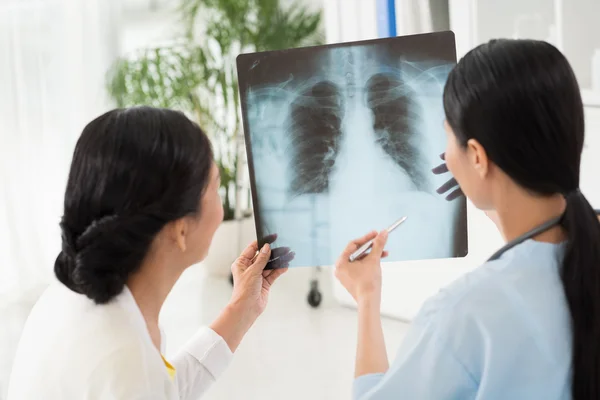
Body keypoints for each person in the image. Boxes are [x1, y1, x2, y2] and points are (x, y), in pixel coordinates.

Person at [334, 39, 600, 399]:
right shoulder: (586, 250)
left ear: (477, 155)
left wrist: (366, 296)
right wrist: (489, 191)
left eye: (448, 134)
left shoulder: (465, 315)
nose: (445, 153)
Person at [7, 107, 291, 399]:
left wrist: (242, 309)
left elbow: (162, 389)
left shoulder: (69, 297)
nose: (222, 210)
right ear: (180, 230)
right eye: (216, 189)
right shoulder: (123, 358)